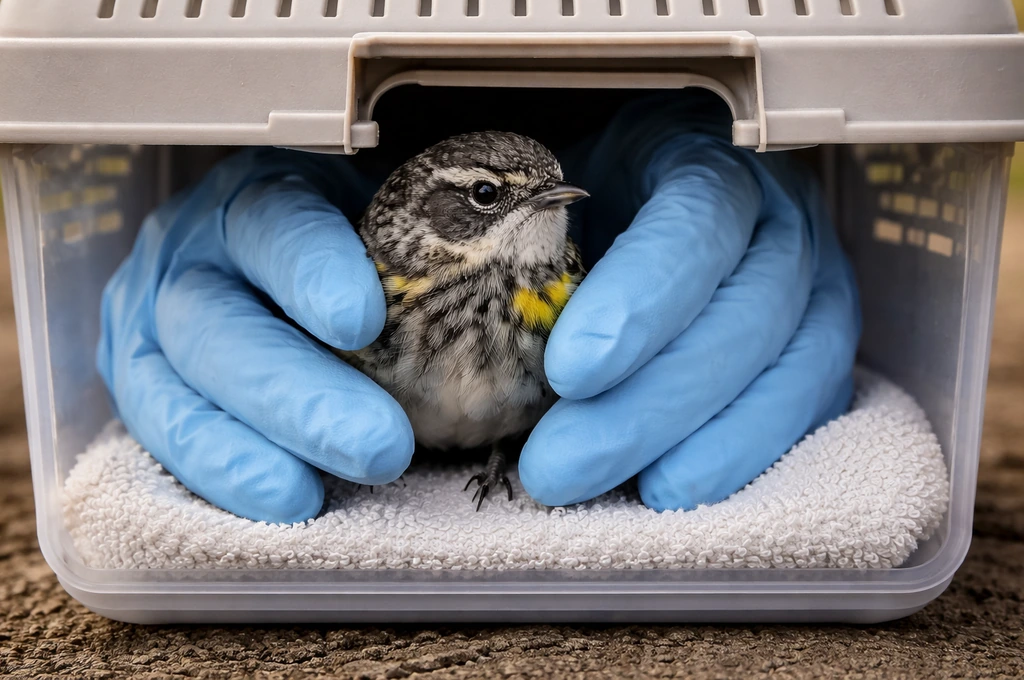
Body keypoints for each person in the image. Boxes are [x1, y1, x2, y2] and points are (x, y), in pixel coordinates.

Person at [97, 90, 860, 524]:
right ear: (437, 213)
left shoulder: (559, 284)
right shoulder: (379, 282)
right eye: (491, 196)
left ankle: (496, 450)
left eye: (547, 190)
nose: (542, 204)